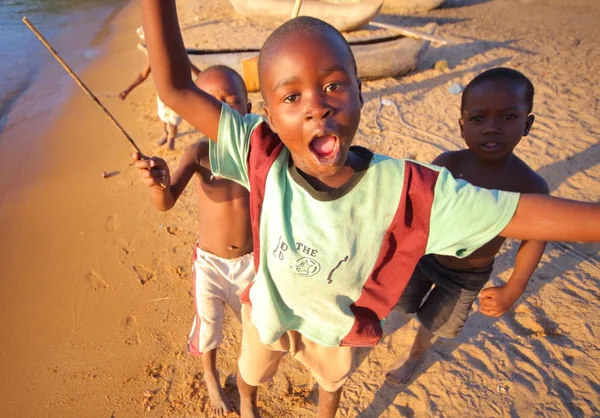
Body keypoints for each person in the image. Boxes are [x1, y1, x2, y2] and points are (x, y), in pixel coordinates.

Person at [137, 1, 600, 416]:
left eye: (334, 85)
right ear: (269, 115)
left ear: (360, 91)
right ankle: (249, 405)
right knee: (252, 373)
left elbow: (525, 213)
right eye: (292, 96)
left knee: (331, 383)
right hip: (267, 313)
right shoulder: (262, 152)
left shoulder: (405, 191)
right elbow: (177, 87)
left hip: (334, 328)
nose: (317, 107)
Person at [387, 67, 550, 383]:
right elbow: (417, 205)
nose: (491, 128)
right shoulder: (448, 163)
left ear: (527, 123)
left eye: (507, 117)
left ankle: (413, 358)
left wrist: (514, 288)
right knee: (399, 303)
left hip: (467, 275)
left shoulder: (529, 185)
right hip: (424, 257)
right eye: (478, 119)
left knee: (434, 322)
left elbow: (536, 238)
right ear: (462, 126)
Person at [134, 65, 254, 416]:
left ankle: (247, 394)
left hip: (253, 263)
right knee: (210, 329)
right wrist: (156, 182)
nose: (223, 110)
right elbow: (166, 201)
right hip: (211, 265)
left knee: (256, 331)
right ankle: (211, 376)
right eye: (212, 104)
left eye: (233, 102)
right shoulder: (199, 153)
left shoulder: (258, 150)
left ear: (248, 108)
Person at [118, 27, 201, 150]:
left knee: (173, 119)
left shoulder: (179, 55)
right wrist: (128, 90)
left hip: (178, 93)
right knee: (162, 116)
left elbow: (195, 70)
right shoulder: (154, 58)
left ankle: (171, 137)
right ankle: (165, 133)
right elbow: (143, 75)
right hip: (161, 94)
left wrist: (207, 81)